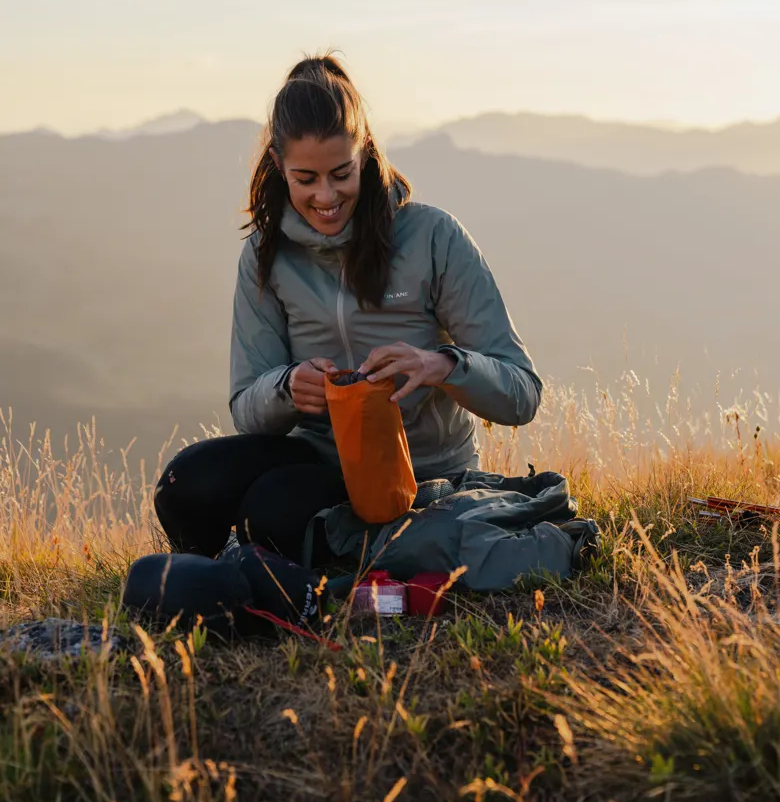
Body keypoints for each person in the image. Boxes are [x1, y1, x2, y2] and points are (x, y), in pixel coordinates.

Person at [154, 55, 542, 563]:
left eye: (341, 174)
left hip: (422, 473)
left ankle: (296, 565)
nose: (326, 196)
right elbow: (247, 407)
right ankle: (214, 585)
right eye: (305, 179)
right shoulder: (266, 253)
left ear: (365, 153)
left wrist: (440, 365)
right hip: (319, 463)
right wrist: (288, 387)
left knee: (269, 514)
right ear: (279, 166)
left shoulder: (433, 237)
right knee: (185, 486)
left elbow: (521, 395)